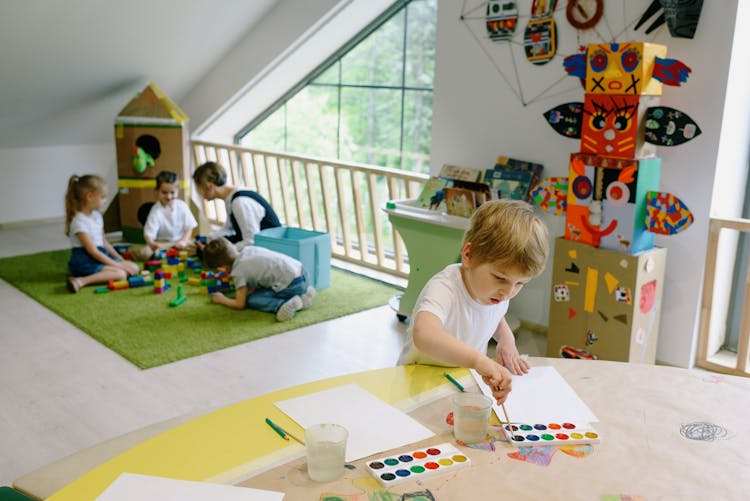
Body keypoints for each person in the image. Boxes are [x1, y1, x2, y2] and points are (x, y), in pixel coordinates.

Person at [397, 199, 549, 404]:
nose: (508, 293)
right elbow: (424, 334)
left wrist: (506, 339)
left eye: (520, 283)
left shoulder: (495, 292)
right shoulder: (445, 287)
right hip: (418, 382)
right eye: (500, 278)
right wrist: (478, 360)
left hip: (462, 380)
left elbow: (493, 314)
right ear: (469, 255)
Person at [202, 237, 316, 321]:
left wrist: (221, 299)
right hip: (302, 273)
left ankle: (283, 304)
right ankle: (303, 296)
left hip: (291, 284)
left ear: (223, 267)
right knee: (260, 288)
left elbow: (239, 304)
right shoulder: (248, 249)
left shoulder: (238, 272)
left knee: (252, 299)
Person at [65, 174, 140, 293]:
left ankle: (110, 271)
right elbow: (93, 251)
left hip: (100, 256)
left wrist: (120, 259)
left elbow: (104, 243)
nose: (105, 201)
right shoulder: (79, 221)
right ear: (89, 196)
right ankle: (81, 281)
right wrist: (118, 266)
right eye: (103, 197)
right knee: (121, 274)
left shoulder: (97, 216)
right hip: (85, 260)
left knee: (134, 267)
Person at [192, 161, 281, 251]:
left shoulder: (240, 202)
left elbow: (251, 241)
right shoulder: (231, 196)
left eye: (199, 190)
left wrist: (222, 251)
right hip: (257, 244)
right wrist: (208, 240)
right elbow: (228, 229)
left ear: (210, 186)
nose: (200, 195)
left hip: (269, 249)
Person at [133, 170, 198, 260]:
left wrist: (184, 241)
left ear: (177, 191)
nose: (168, 197)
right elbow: (149, 234)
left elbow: (189, 227)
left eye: (172, 192)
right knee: (145, 253)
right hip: (163, 244)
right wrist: (152, 244)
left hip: (180, 242)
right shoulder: (156, 211)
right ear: (157, 191)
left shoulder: (182, 206)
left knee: (196, 247)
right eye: (164, 192)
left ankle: (169, 255)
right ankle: (167, 254)